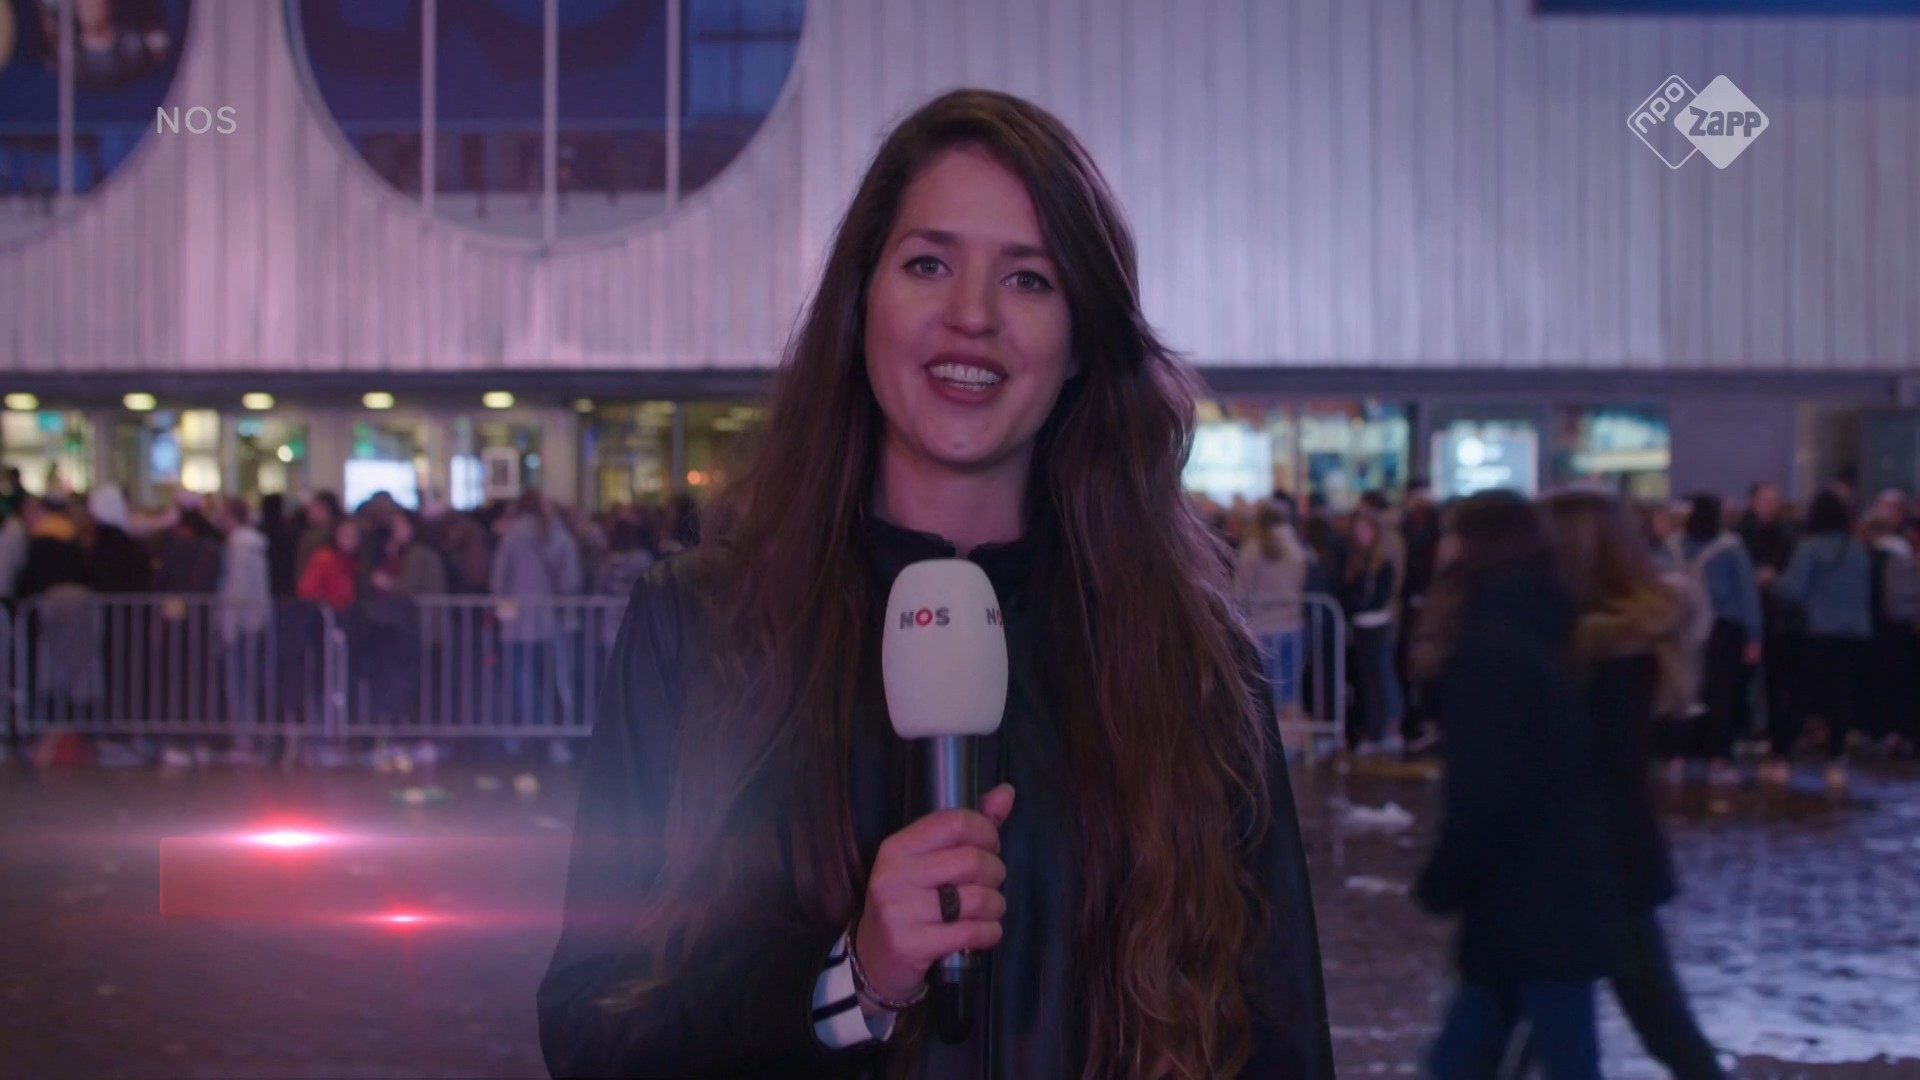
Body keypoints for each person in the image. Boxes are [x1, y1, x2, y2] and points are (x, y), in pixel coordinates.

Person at [538, 89, 1332, 1079]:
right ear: (860, 304)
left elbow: (1281, 1041)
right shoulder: (697, 626)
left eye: (1029, 279)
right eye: (928, 264)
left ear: (1081, 341)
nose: (972, 316)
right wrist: (848, 984)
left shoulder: (1192, 664)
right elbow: (593, 1029)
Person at [1412, 491, 1621, 1080]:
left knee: (1498, 1055)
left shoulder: (1492, 644)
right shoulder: (1544, 622)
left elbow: (1485, 787)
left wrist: (1444, 877)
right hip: (1549, 893)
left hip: (1523, 902)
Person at [1544, 491, 1726, 1080]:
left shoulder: (1606, 647)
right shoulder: (1611, 637)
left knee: (1659, 1022)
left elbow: (1607, 767)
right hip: (1604, 859)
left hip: (1599, 862)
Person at [1768, 491, 1872, 792]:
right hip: (1853, 634)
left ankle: (1782, 760)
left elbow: (1792, 590)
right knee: (1841, 700)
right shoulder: (1857, 550)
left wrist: (1771, 580)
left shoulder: (1809, 547)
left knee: (1799, 698)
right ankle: (1837, 762)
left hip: (1816, 632)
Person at [1677, 494, 1762, 786]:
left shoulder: (1681, 546)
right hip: (1725, 626)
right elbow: (1747, 594)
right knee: (1722, 693)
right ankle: (1718, 758)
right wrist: (1754, 636)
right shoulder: (1731, 548)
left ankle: (1681, 756)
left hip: (1686, 625)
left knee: (1690, 691)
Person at [1234, 500, 1310, 723]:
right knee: (1290, 688)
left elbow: (1240, 591)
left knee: (1265, 692)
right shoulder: (1297, 549)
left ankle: (1272, 738)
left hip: (1262, 628)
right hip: (1293, 625)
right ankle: (1292, 737)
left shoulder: (1252, 550)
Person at [1738, 482, 1799, 757]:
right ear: (1752, 503)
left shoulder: (1789, 535)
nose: (1769, 507)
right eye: (1765, 501)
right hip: (1747, 613)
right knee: (1743, 677)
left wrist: (1774, 577)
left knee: (1778, 679)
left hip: (1777, 617)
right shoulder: (1740, 535)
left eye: (1773, 501)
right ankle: (1746, 730)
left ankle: (1776, 735)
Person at [1344, 504, 1405, 755]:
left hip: (1378, 625)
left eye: (1365, 530)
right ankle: (1375, 730)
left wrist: (1358, 605)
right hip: (1361, 626)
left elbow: (1379, 595)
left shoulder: (1382, 562)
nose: (1361, 536)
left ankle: (1389, 729)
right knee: (1369, 681)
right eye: (1357, 531)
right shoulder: (1357, 562)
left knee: (1382, 678)